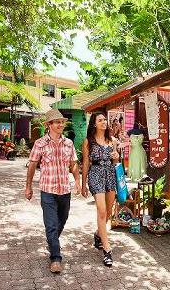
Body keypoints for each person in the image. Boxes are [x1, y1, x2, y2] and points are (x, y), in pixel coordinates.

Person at [26, 109, 81, 274]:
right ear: (48, 125)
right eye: (57, 122)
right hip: (47, 190)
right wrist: (28, 186)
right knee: (51, 225)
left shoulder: (69, 143)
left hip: (65, 189)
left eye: (62, 122)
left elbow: (73, 164)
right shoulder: (40, 143)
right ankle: (56, 258)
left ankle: (52, 242)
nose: (61, 124)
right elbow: (32, 165)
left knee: (62, 221)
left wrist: (77, 181)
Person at [81, 112, 119, 267]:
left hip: (110, 174)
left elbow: (116, 160)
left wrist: (116, 156)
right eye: (100, 120)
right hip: (95, 174)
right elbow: (85, 163)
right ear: (94, 123)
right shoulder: (88, 141)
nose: (104, 122)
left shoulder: (113, 140)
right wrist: (83, 185)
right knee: (102, 210)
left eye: (105, 119)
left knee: (108, 212)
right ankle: (107, 250)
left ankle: (98, 234)